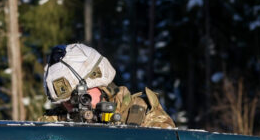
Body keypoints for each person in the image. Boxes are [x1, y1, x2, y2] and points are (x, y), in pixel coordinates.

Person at [40, 43, 175, 128]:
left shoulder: (143, 116)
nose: (72, 105)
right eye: (66, 102)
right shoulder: (54, 123)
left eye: (80, 97)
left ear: (101, 86)